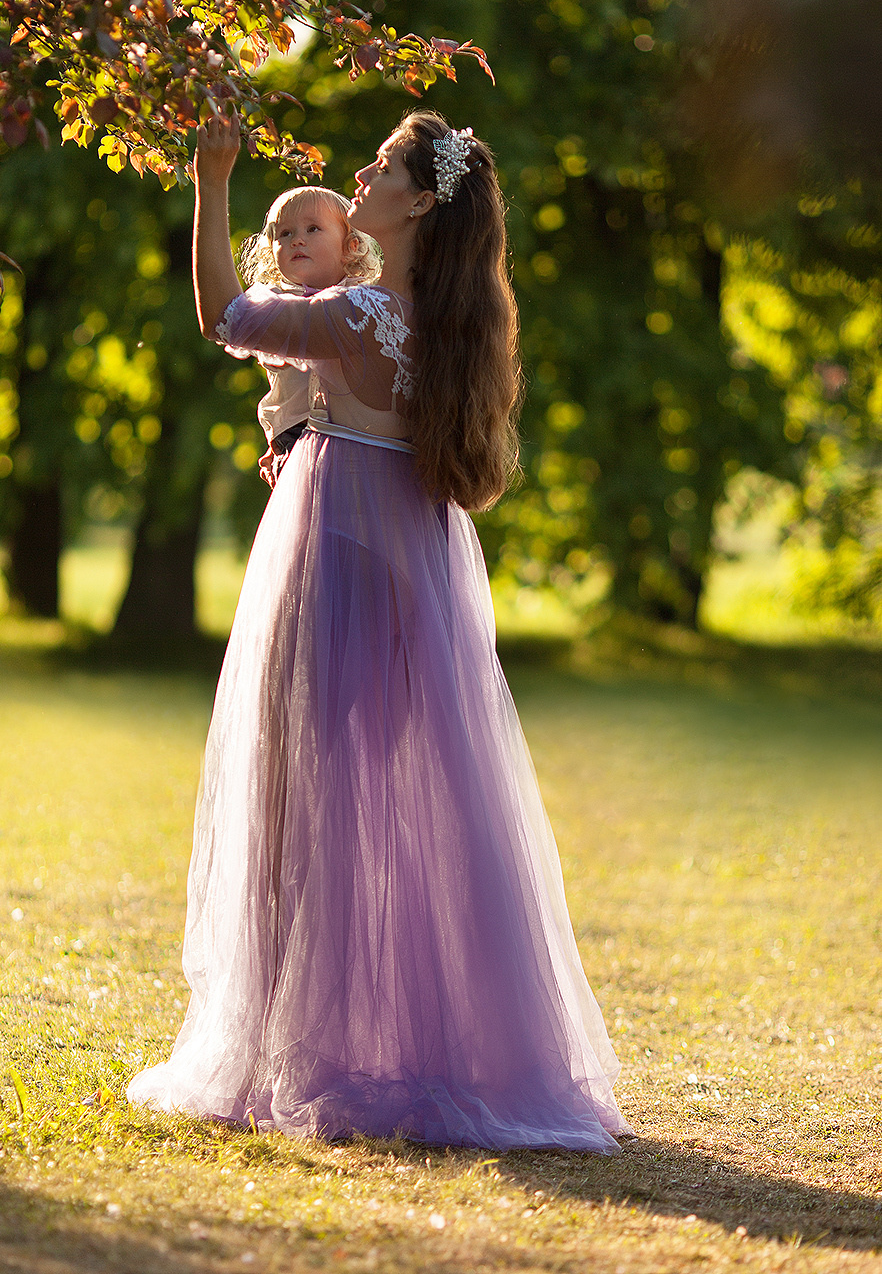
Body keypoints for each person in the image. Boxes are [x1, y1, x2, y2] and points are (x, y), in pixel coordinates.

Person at [127, 107, 628, 1152]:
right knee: (410, 810)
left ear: (414, 204)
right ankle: (428, 1045)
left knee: (291, 801)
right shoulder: (454, 325)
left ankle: (280, 1046)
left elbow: (225, 313)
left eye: (383, 165)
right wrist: (306, 425)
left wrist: (213, 180)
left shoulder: (356, 316)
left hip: (341, 544)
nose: (360, 172)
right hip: (420, 561)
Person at [233, 185, 382, 487]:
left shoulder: (365, 302)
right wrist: (275, 441)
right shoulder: (275, 307)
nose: (297, 240)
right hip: (292, 436)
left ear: (351, 245)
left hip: (354, 439)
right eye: (284, 234)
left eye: (313, 229)